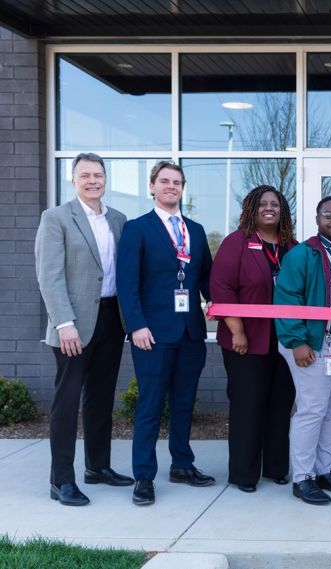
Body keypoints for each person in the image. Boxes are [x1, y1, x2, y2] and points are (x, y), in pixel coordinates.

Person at [35, 152, 132, 506]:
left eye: (98, 175)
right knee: (67, 400)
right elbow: (49, 276)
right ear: (73, 180)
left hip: (110, 318)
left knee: (101, 397)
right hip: (72, 323)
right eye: (85, 175)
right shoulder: (56, 218)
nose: (93, 180)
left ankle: (98, 467)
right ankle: (61, 480)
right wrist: (64, 323)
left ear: (106, 179)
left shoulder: (119, 219)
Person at [117, 160, 214, 506]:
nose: (171, 187)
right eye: (165, 181)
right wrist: (137, 326)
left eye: (177, 182)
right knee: (150, 406)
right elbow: (127, 284)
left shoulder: (197, 231)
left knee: (184, 405)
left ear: (182, 188)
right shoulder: (137, 229)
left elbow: (204, 277)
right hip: (152, 334)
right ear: (152, 187)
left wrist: (216, 300)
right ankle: (144, 475)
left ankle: (182, 465)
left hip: (190, 333)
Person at [275, 196, 331, 506]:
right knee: (312, 410)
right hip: (315, 344)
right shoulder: (304, 254)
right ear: (317, 219)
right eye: (329, 215)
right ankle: (302, 477)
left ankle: (325, 470)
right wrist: (297, 342)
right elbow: (287, 298)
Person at [210, 185, 298, 493]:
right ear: (252, 208)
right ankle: (244, 474)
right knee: (248, 405)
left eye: (275, 204)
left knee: (280, 403)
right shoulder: (236, 243)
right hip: (245, 339)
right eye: (263, 203)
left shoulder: (290, 246)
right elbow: (222, 288)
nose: (269, 208)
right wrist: (237, 331)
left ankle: (276, 467)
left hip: (284, 340)